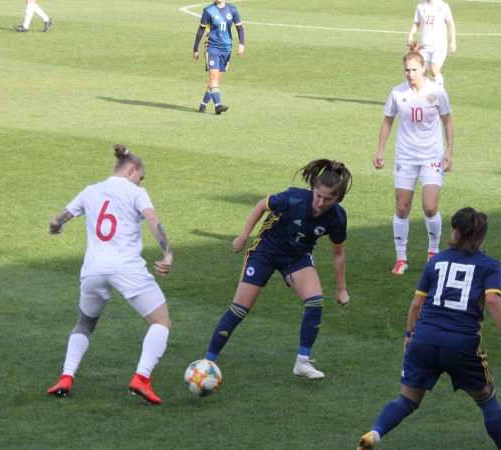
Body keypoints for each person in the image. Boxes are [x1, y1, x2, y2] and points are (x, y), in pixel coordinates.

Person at [357, 207, 501, 450]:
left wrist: (409, 335)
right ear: (481, 235)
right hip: (460, 344)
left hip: (424, 339)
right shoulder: (489, 265)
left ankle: (375, 433)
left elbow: (417, 304)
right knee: (487, 398)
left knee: (407, 399)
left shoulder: (436, 261)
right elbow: (492, 299)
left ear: (454, 231)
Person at [202, 159, 352, 380]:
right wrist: (243, 236)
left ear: (337, 198)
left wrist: (341, 289)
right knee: (240, 308)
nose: (321, 202)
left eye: (328, 199)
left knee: (315, 302)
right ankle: (207, 362)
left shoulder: (338, 217)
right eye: (318, 195)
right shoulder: (294, 198)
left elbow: (338, 254)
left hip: (297, 257)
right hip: (266, 251)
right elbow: (261, 205)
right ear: (313, 189)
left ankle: (302, 362)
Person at [46, 144, 173, 404]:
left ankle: (66, 377)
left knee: (84, 324)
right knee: (161, 322)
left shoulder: (90, 191)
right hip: (127, 268)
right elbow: (152, 219)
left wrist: (55, 229)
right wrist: (167, 253)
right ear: (132, 170)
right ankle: (142, 378)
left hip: (93, 270)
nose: (140, 182)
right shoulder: (136, 192)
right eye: (141, 177)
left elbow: (56, 221)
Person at [374, 43, 454, 275]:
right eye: (407, 70)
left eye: (414, 70)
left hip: (432, 155)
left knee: (430, 207)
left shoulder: (437, 92)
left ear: (423, 70)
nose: (410, 74)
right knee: (402, 208)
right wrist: (380, 151)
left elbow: (448, 122)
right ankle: (401, 259)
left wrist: (449, 150)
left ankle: (433, 252)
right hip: (405, 156)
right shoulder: (397, 93)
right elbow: (387, 122)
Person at [192, 0, 245, 115]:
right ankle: (218, 105)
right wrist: (195, 48)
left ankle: (203, 105)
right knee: (214, 77)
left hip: (226, 48)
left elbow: (240, 28)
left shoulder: (232, 10)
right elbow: (201, 29)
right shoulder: (208, 11)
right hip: (212, 47)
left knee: (215, 80)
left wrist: (241, 44)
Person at [406, 0, 456, 87]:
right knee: (422, 74)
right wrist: (410, 34)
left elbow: (450, 23)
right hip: (424, 46)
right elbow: (417, 23)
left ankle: (440, 92)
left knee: (434, 70)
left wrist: (453, 41)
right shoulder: (420, 6)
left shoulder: (443, 6)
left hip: (439, 45)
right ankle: (425, 93)